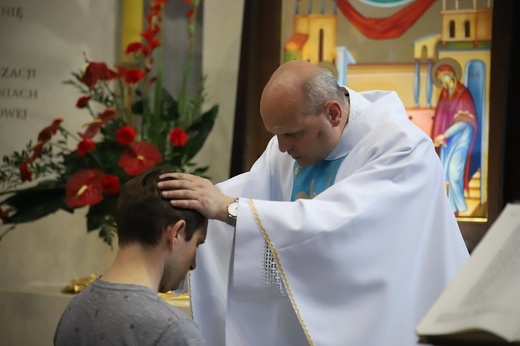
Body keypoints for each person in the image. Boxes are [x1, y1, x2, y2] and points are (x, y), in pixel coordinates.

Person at [158, 60, 470, 346]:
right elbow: (249, 193)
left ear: (333, 113)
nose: (281, 147)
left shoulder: (402, 149)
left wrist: (228, 208)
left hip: (387, 319)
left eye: (291, 134)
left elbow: (342, 223)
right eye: (276, 135)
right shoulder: (290, 145)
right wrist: (190, 205)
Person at [54, 167, 207, 346]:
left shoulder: (75, 309)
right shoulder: (173, 330)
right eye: (197, 243)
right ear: (176, 233)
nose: (194, 264)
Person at [431, 61, 478, 215]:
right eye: (440, 79)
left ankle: (462, 208)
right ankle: (451, 208)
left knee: (454, 172)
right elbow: (441, 118)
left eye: (444, 77)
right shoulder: (445, 94)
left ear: (451, 75)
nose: (443, 81)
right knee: (444, 173)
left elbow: (465, 120)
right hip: (448, 142)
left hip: (461, 138)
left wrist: (444, 134)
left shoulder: (462, 93)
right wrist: (441, 136)